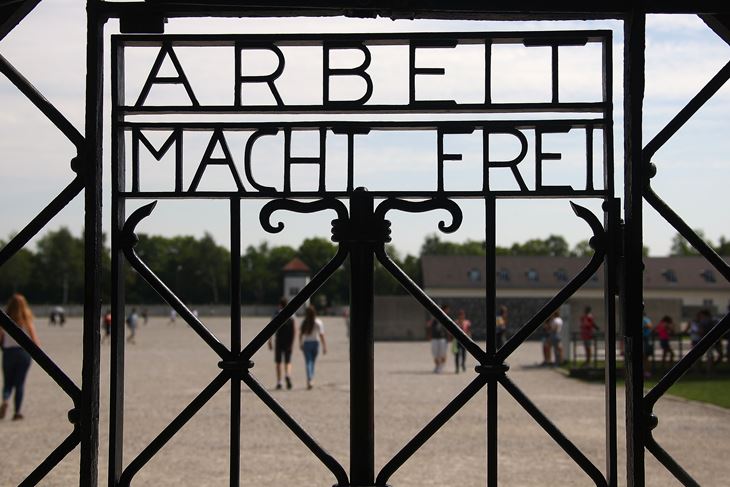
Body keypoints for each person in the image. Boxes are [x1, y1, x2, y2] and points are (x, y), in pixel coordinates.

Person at [1, 294, 40, 420]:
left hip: (8, 352)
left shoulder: (5, 321)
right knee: (20, 383)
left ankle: (5, 400)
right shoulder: (27, 320)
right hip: (23, 353)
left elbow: (0, 338)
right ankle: (17, 412)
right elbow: (34, 339)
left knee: (8, 382)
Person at [268, 298, 296, 390]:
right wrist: (292, 342)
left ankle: (279, 381)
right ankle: (287, 375)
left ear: (280, 304)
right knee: (288, 361)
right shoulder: (292, 314)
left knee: (278, 362)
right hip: (288, 340)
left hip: (279, 340)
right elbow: (294, 329)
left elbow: (271, 328)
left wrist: (270, 341)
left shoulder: (276, 314)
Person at [299, 305, 327, 390]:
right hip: (315, 343)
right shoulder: (318, 322)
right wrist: (324, 346)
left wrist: (300, 343)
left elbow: (300, 334)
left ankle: (310, 379)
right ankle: (310, 379)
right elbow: (321, 335)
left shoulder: (304, 322)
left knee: (308, 362)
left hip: (307, 343)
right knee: (312, 362)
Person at [426, 304, 450, 373]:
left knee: (442, 353)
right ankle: (437, 366)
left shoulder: (447, 318)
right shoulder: (434, 318)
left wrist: (448, 337)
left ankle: (441, 366)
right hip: (435, 338)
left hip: (443, 338)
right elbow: (429, 326)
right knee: (435, 353)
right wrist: (429, 335)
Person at [453, 309, 471, 373]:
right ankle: (457, 368)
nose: (461, 316)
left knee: (463, 354)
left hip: (464, 340)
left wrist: (469, 339)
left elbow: (469, 331)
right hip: (457, 340)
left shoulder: (467, 322)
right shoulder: (456, 322)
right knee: (457, 355)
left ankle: (463, 364)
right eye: (460, 315)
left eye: (463, 315)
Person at [642, 312, 653, 378]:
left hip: (645, 339)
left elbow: (649, 326)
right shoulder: (645, 319)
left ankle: (647, 372)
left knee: (645, 357)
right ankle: (645, 372)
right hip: (643, 339)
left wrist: (644, 326)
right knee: (644, 357)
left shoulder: (645, 319)